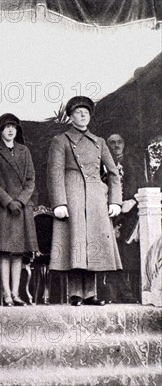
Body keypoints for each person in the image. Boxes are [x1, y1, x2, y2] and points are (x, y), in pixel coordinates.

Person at [47, 96, 122, 306]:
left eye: (86, 112)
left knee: (94, 243)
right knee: (76, 242)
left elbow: (113, 173)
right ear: (70, 117)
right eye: (78, 112)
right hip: (73, 195)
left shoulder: (99, 142)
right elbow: (54, 173)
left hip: (96, 197)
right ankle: (75, 293)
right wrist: (59, 202)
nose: (82, 115)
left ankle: (90, 294)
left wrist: (115, 201)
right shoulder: (60, 141)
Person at [0, 113, 37, 306]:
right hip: (2, 209)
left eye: (14, 126)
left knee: (18, 252)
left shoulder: (25, 151)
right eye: (6, 126)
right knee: (4, 251)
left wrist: (21, 201)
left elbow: (31, 180)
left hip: (21, 209)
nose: (11, 130)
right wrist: (9, 202)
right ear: (0, 131)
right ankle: (6, 295)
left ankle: (16, 294)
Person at [102, 134, 145, 302]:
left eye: (119, 142)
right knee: (113, 251)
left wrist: (132, 201)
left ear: (124, 144)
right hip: (110, 212)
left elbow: (141, 185)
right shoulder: (103, 164)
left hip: (131, 212)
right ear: (107, 145)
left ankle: (127, 292)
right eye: (112, 143)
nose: (116, 145)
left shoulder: (133, 163)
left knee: (127, 252)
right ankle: (113, 291)